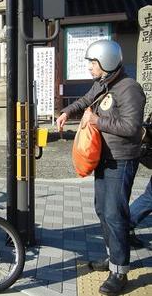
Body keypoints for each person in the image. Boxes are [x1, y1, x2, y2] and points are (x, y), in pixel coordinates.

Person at [56, 40, 145, 295]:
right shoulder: (103, 84)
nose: (89, 68)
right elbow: (84, 100)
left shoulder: (130, 89)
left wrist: (97, 120)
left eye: (93, 63)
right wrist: (67, 112)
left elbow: (131, 128)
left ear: (106, 62)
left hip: (121, 159)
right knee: (102, 210)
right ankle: (112, 258)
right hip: (103, 159)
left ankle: (120, 271)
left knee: (115, 214)